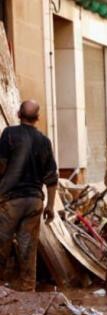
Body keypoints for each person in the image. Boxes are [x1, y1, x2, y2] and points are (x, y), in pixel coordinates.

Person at [0, 100, 58, 291]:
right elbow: (52, 178)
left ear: (18, 114)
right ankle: (28, 291)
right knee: (27, 249)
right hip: (34, 201)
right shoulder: (44, 141)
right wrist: (50, 206)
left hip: (10, 201)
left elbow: (1, 164)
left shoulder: (9, 134)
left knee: (2, 245)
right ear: (38, 118)